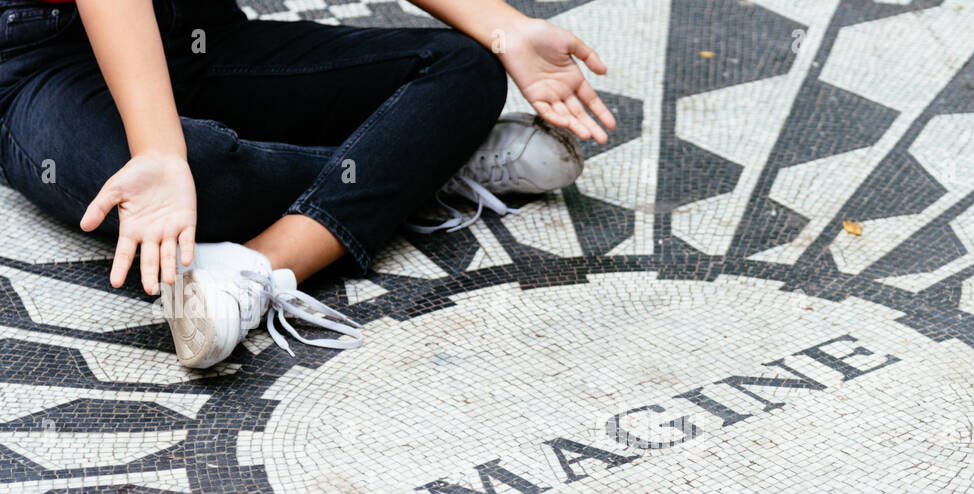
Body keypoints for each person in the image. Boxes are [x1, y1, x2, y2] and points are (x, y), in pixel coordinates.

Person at [0, 0, 615, 366]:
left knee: (467, 66)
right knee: (198, 182)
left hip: (198, 32)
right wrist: (160, 152)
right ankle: (431, 157)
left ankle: (258, 266)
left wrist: (505, 25)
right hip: (44, 60)